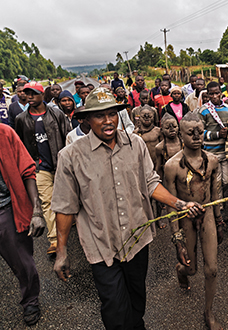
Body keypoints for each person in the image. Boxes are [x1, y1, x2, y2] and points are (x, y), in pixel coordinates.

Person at [51, 87, 204, 330]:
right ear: (87, 120)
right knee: (113, 306)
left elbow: (151, 182)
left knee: (137, 297)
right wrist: (61, 252)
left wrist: (180, 204)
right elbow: (65, 207)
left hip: (137, 239)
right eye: (100, 115)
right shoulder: (71, 156)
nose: (108, 121)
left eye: (112, 113)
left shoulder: (136, 145)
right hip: (101, 245)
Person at [164, 112, 222, 330]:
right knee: (192, 269)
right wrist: (177, 238)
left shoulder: (213, 161)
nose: (197, 136)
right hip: (185, 217)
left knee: (212, 270)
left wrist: (218, 219)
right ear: (181, 134)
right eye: (191, 133)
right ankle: (182, 272)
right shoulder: (172, 166)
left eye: (200, 131)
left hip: (206, 214)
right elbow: (171, 204)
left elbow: (215, 193)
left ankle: (208, 313)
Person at [14, 81, 70, 255]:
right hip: (40, 168)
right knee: (47, 203)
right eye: (26, 93)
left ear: (42, 95)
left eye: (33, 93)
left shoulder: (57, 114)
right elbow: (21, 145)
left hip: (60, 165)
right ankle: (55, 240)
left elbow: (66, 137)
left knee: (67, 201)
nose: (29, 96)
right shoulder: (21, 119)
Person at [0, 124, 46, 326]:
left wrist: (36, 210)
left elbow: (27, 170)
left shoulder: (5, 133)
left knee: (22, 262)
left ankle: (30, 300)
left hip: (6, 209)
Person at [198, 82, 228, 202]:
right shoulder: (203, 110)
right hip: (211, 152)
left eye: (217, 93)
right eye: (211, 94)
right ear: (207, 94)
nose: (214, 96)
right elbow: (199, 132)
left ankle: (217, 200)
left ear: (221, 93)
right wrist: (217, 134)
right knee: (217, 182)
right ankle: (220, 210)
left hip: (226, 151)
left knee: (227, 181)